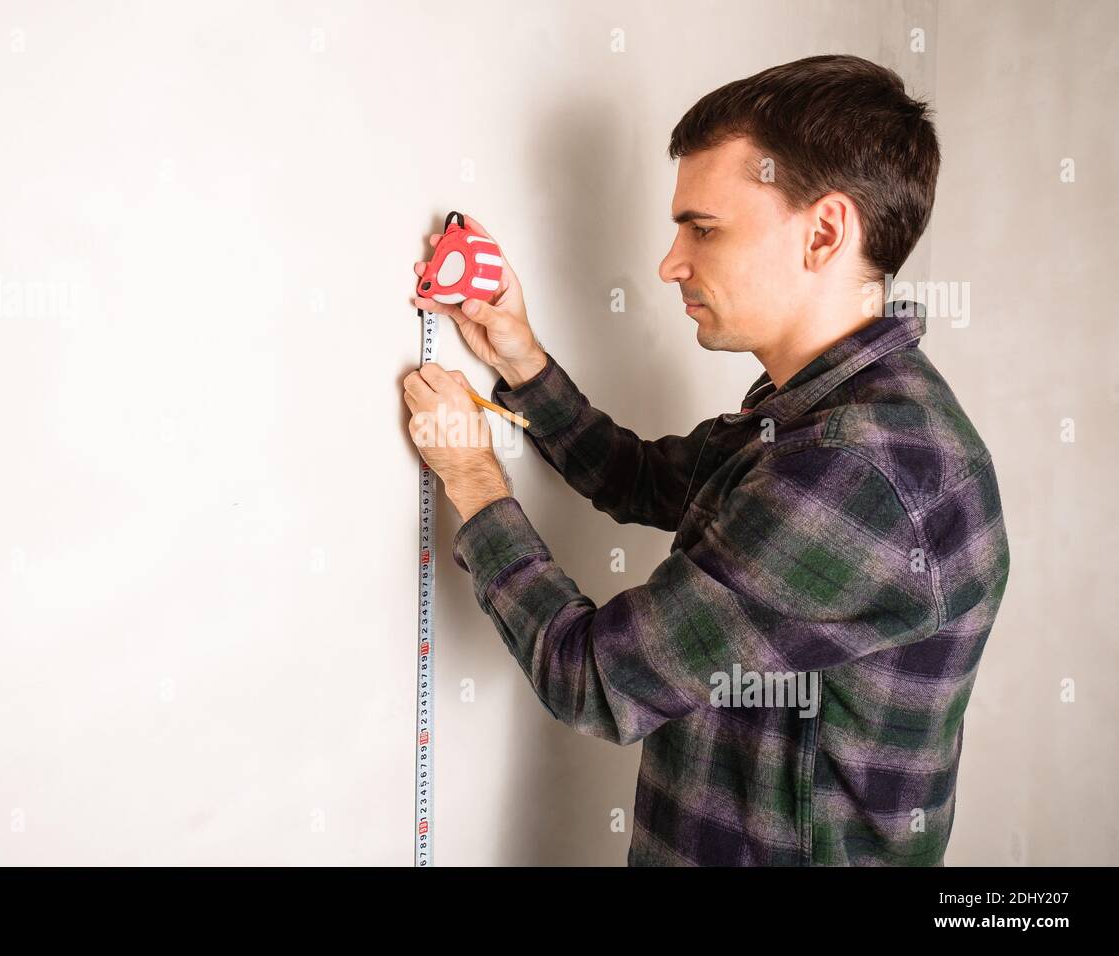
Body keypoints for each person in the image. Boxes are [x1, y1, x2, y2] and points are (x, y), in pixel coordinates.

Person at [401, 54, 1010, 866]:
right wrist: (521, 362)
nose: (670, 263)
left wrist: (473, 479)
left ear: (824, 232)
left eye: (703, 227)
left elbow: (594, 680)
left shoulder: (858, 470)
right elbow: (645, 480)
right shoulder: (829, 407)